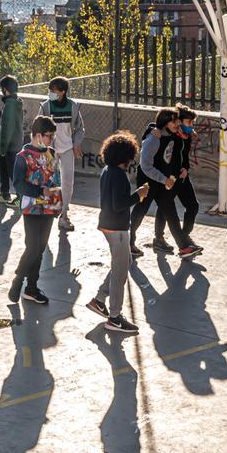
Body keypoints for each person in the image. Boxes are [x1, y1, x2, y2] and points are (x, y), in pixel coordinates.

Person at [85, 131, 150, 333]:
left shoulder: (107, 170)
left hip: (108, 225)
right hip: (117, 228)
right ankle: (114, 317)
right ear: (127, 156)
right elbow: (119, 204)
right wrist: (138, 195)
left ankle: (99, 299)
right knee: (121, 272)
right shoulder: (120, 176)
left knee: (124, 263)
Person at [129, 108, 201, 260]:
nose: (178, 124)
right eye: (174, 121)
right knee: (140, 210)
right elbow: (146, 166)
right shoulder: (154, 138)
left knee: (171, 213)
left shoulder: (172, 135)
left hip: (162, 180)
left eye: (178, 121)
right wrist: (164, 179)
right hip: (149, 181)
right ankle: (128, 243)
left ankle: (184, 247)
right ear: (165, 122)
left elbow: (181, 149)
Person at [8, 115, 62, 305]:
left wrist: (57, 205)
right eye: (49, 136)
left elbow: (56, 181)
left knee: (40, 248)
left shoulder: (52, 153)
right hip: (31, 208)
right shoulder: (22, 157)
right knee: (32, 247)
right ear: (38, 135)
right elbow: (18, 185)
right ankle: (18, 280)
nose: (51, 140)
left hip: (48, 208)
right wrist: (40, 190)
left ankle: (32, 287)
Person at [38, 77, 85, 231]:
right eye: (50, 91)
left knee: (67, 183)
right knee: (47, 181)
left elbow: (79, 128)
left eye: (54, 91)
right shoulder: (46, 106)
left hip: (67, 149)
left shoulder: (73, 107)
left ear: (63, 92)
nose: (51, 94)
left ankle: (63, 215)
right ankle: (49, 212)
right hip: (50, 150)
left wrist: (76, 143)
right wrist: (42, 147)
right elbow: (38, 126)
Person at [0, 74, 24, 207]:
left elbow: (7, 128)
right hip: (15, 143)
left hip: (10, 146)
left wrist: (3, 149)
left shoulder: (10, 105)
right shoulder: (16, 101)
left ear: (5, 89)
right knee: (3, 167)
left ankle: (20, 197)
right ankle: (5, 193)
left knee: (12, 172)